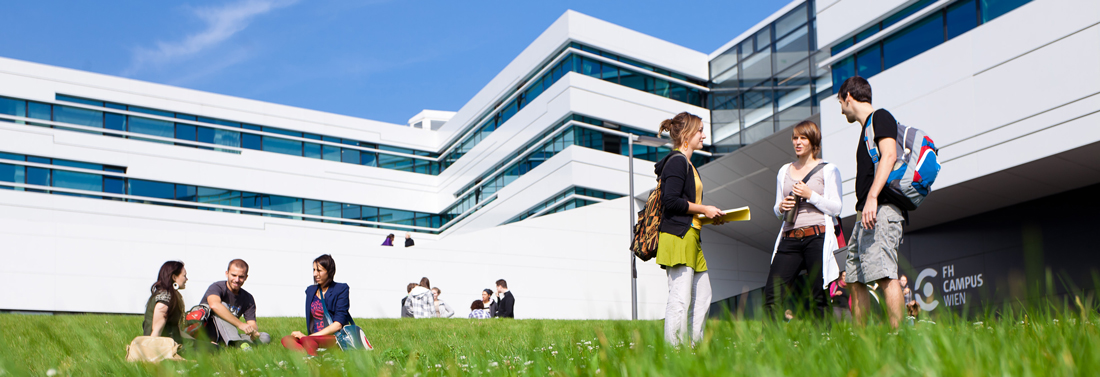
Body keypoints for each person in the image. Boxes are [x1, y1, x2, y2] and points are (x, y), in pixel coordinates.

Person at [837, 76, 907, 328]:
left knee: (885, 274)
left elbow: (889, 156)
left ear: (848, 97)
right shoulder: (866, 129)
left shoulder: (881, 117)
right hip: (864, 217)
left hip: (881, 211)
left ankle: (900, 337)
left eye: (840, 102)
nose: (841, 109)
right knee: (855, 280)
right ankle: (861, 341)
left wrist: (873, 197)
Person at [653, 112, 725, 346]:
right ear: (686, 135)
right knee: (680, 298)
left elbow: (684, 204)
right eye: (700, 130)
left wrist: (707, 215)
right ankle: (674, 353)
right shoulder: (677, 161)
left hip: (692, 237)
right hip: (677, 237)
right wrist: (704, 208)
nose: (704, 135)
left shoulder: (689, 164)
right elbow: (670, 201)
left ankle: (692, 349)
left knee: (703, 296)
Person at [764, 121, 843, 321]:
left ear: (813, 141)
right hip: (789, 238)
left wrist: (810, 195)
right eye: (795, 138)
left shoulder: (828, 169)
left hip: (817, 236)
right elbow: (776, 209)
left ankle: (824, 342)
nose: (797, 142)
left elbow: (837, 207)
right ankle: (772, 345)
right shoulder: (784, 171)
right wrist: (781, 207)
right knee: (772, 295)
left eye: (803, 138)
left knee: (819, 295)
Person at [281, 254, 355, 356]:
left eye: (319, 270)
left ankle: (313, 358)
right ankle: (310, 354)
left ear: (329, 271)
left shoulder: (341, 289)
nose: (315, 274)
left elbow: (338, 324)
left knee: (308, 340)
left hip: (334, 337)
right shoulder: (310, 291)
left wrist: (309, 337)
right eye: (314, 270)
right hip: (313, 337)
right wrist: (308, 337)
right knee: (286, 339)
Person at [199, 259, 270, 346]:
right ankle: (237, 344)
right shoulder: (216, 287)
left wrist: (253, 332)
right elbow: (214, 305)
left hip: (228, 334)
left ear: (246, 277)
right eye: (233, 275)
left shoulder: (248, 298)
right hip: (208, 332)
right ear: (227, 273)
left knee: (265, 337)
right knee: (222, 305)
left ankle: (234, 342)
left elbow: (252, 324)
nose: (237, 280)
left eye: (241, 277)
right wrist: (240, 325)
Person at [143, 261, 189, 345]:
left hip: (174, 343)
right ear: (174, 277)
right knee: (214, 349)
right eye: (184, 276)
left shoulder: (172, 295)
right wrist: (150, 352)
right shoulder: (164, 299)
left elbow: (177, 330)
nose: (186, 279)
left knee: (212, 346)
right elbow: (156, 331)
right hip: (165, 346)